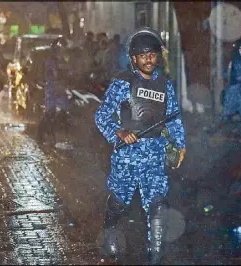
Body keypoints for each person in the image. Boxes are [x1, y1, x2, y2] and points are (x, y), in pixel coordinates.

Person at [94, 27, 187, 264]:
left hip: (155, 153)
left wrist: (180, 144)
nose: (148, 58)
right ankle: (109, 230)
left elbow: (173, 118)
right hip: (127, 155)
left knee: (157, 203)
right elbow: (101, 116)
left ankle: (155, 254)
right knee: (120, 200)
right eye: (143, 54)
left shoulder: (165, 85)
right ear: (133, 58)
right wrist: (120, 132)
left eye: (153, 54)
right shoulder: (122, 83)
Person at [206, 39, 241, 148]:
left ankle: (212, 129)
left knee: (236, 114)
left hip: (234, 89)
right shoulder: (240, 61)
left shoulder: (235, 59)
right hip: (237, 90)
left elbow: (227, 74)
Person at [36, 37, 72, 145]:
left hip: (61, 89)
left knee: (62, 111)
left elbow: (69, 73)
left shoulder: (62, 60)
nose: (62, 51)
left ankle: (53, 135)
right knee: (50, 113)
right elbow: (56, 75)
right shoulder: (51, 61)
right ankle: (42, 136)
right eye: (61, 49)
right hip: (52, 88)